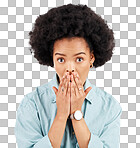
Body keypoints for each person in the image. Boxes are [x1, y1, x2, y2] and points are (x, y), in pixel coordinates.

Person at [14, 3, 122, 148]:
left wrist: (76, 114)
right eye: (61, 59)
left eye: (79, 59)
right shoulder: (32, 104)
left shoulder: (109, 107)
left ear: (91, 58)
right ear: (51, 59)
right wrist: (61, 114)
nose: (70, 69)